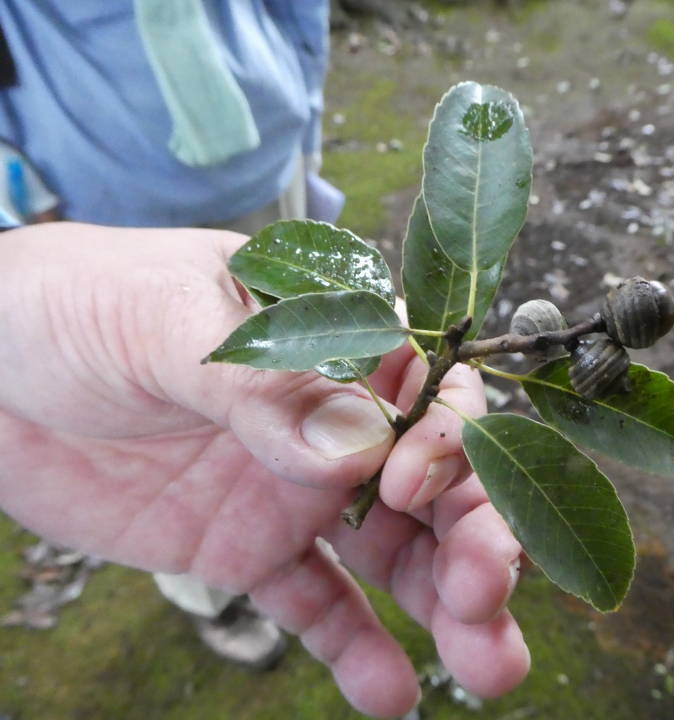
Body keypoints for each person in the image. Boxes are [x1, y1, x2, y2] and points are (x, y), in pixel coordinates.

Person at [0, 2, 530, 717]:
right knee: (215, 398)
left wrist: (302, 124)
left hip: (270, 175)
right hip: (100, 210)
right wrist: (16, 226)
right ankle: (207, 598)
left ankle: (305, 524)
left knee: (296, 388)